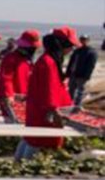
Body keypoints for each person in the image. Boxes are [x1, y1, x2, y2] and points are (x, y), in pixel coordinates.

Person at [16, 27, 80, 160]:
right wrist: (54, 111)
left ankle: (20, 163)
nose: (71, 50)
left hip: (40, 108)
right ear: (63, 45)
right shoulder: (49, 62)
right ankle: (25, 168)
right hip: (45, 112)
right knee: (39, 140)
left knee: (31, 138)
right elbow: (49, 89)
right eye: (71, 46)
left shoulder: (46, 59)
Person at [0, 30, 40, 122]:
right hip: (13, 99)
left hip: (24, 98)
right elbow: (6, 78)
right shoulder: (11, 58)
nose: (33, 50)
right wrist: (9, 95)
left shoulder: (27, 60)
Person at [66, 34, 98, 109]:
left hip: (82, 75)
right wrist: (68, 72)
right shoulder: (77, 51)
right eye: (82, 39)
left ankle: (77, 106)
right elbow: (71, 62)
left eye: (85, 40)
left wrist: (87, 76)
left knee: (80, 91)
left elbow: (91, 65)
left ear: (88, 41)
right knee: (71, 90)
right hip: (73, 73)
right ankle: (69, 104)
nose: (83, 41)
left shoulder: (91, 52)